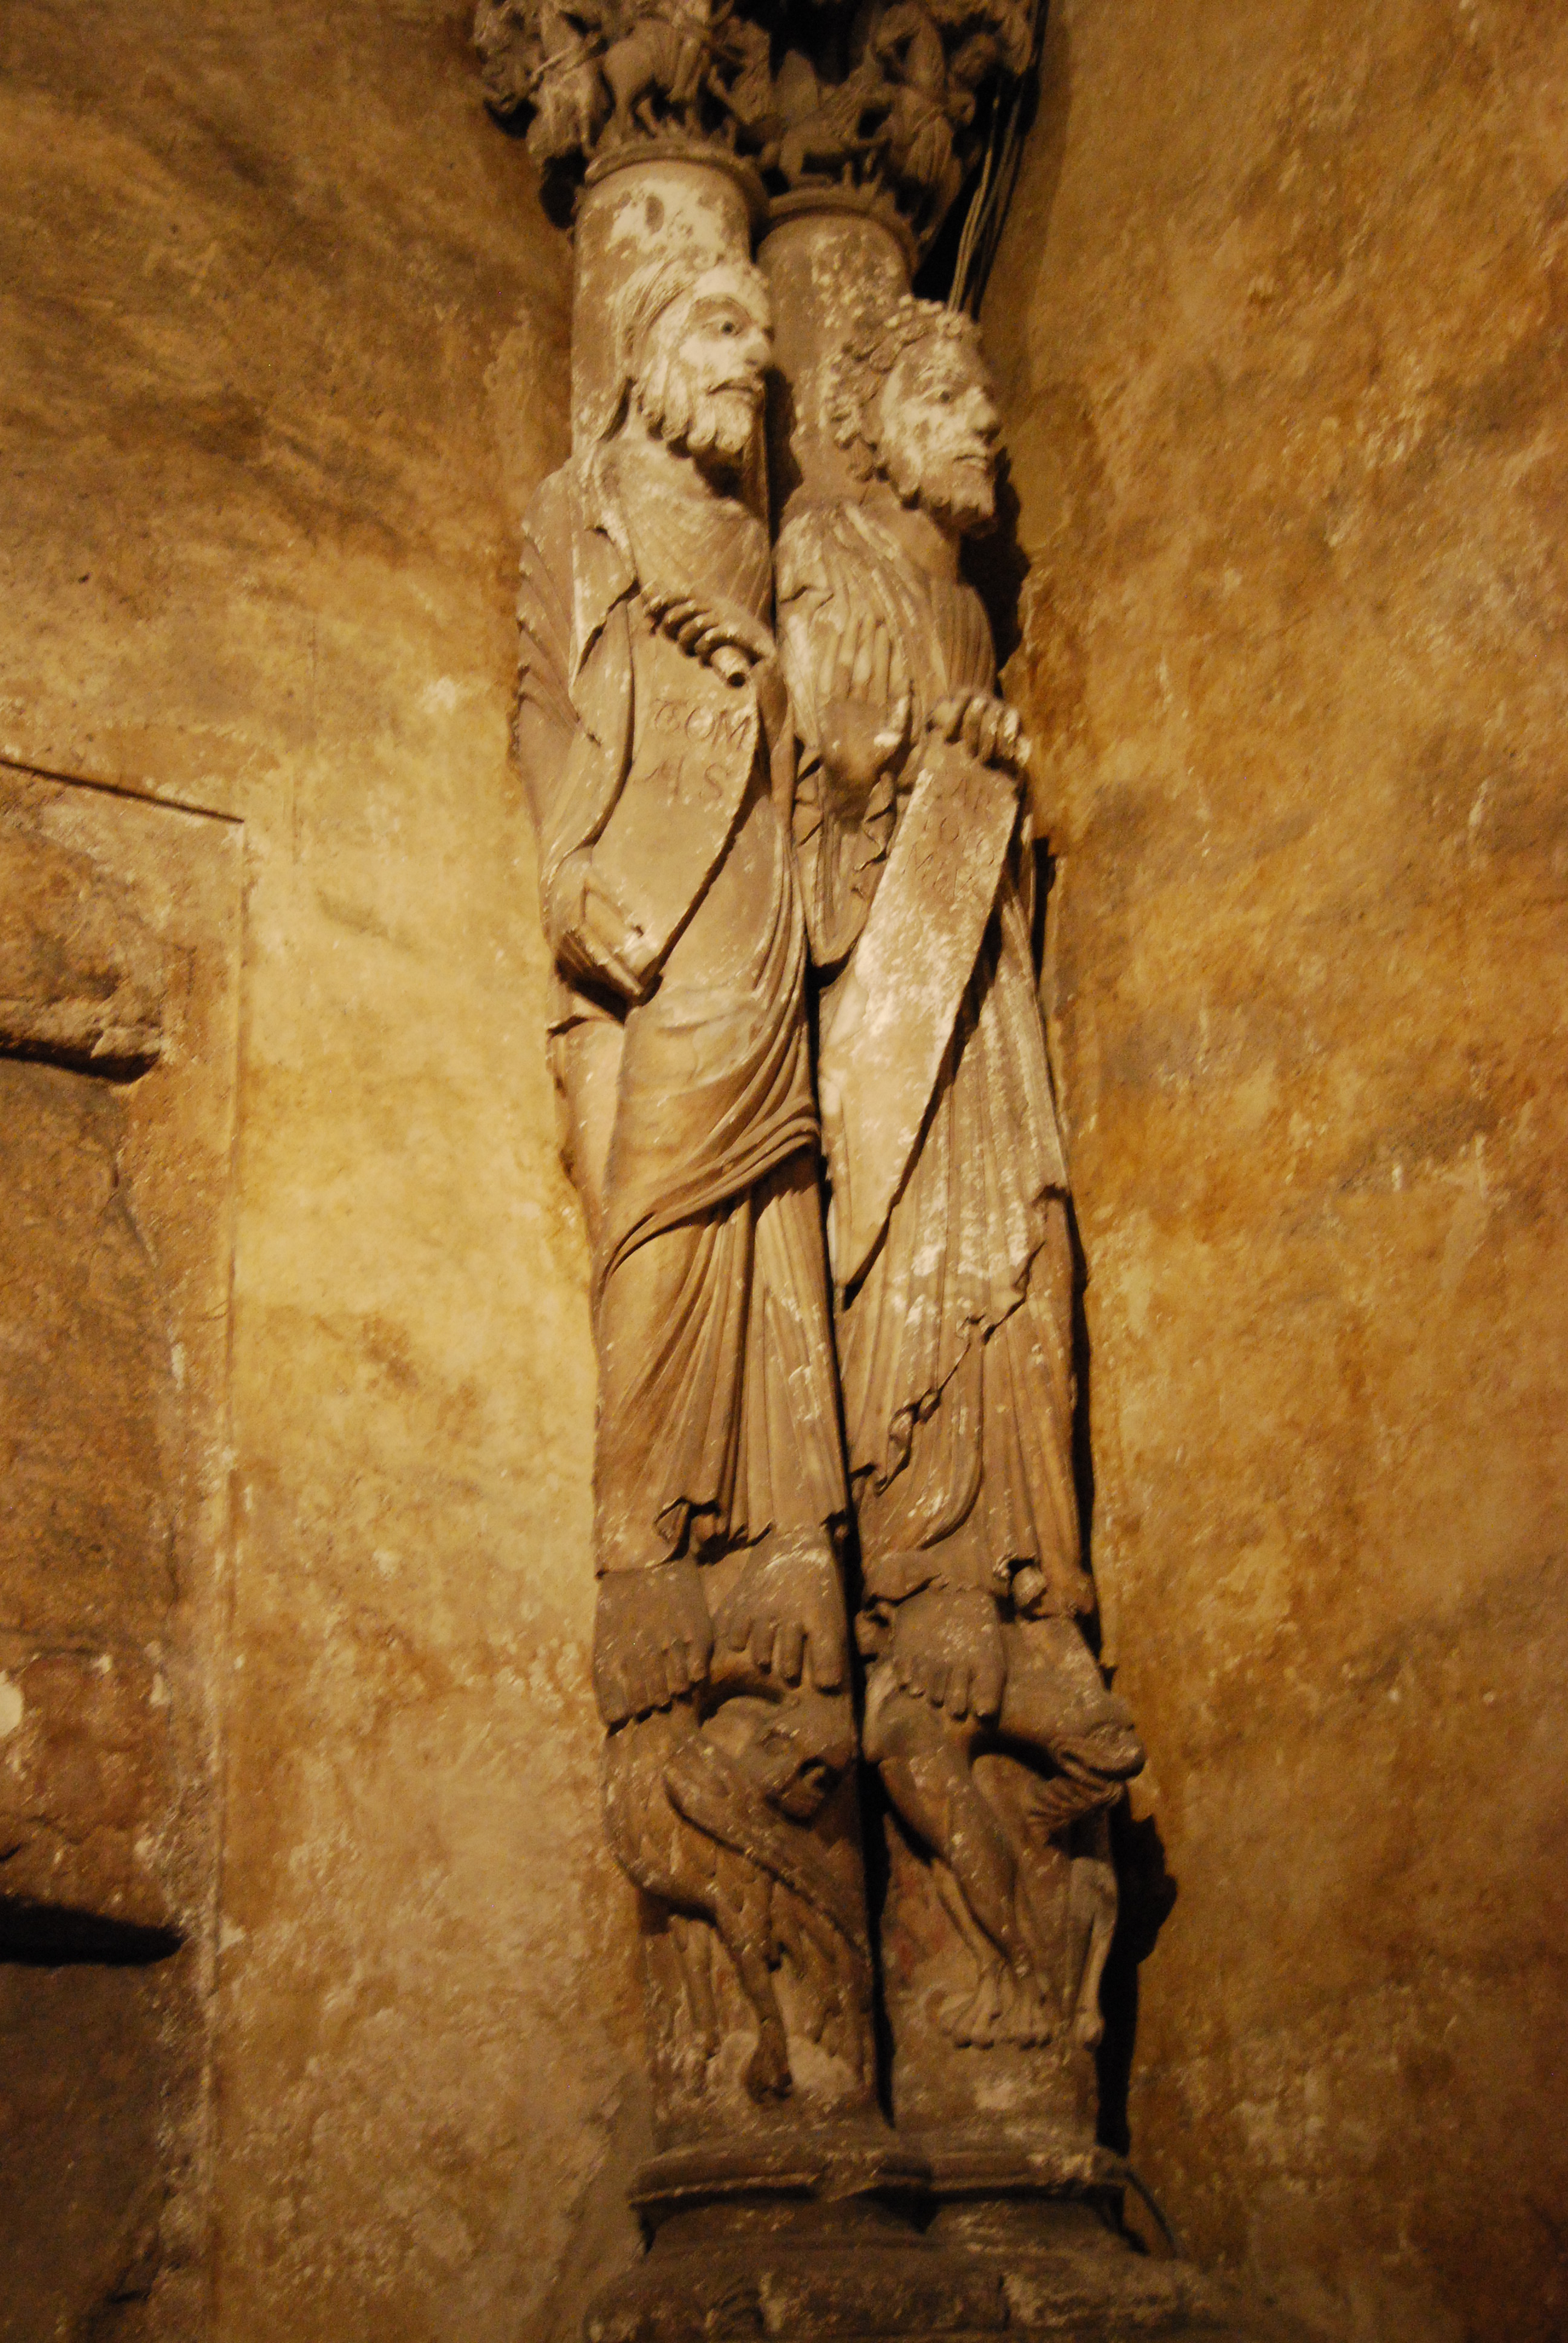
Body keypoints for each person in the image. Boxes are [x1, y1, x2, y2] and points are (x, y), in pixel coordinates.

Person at [514, 252, 871, 2104]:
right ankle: (661, 1566)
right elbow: (548, 722)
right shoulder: (581, 514)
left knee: (774, 1278)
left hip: (765, 958)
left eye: (762, 331)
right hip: (649, 954)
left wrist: (776, 690)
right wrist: (574, 887)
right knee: (650, 1247)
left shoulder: (776, 546)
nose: (750, 361)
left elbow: (825, 768)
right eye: (719, 328)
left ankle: (778, 1551)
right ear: (648, 358)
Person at [776, 297, 1142, 2046]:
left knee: (1029, 1277)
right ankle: (929, 1584)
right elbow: (804, 828)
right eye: (956, 400)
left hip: (985, 1028)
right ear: (874, 424)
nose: (990, 428)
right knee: (929, 1293)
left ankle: (1019, 1583)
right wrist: (898, 779)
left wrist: (972, 779)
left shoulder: (962, 606)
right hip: (891, 1046)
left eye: (989, 399)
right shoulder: (832, 565)